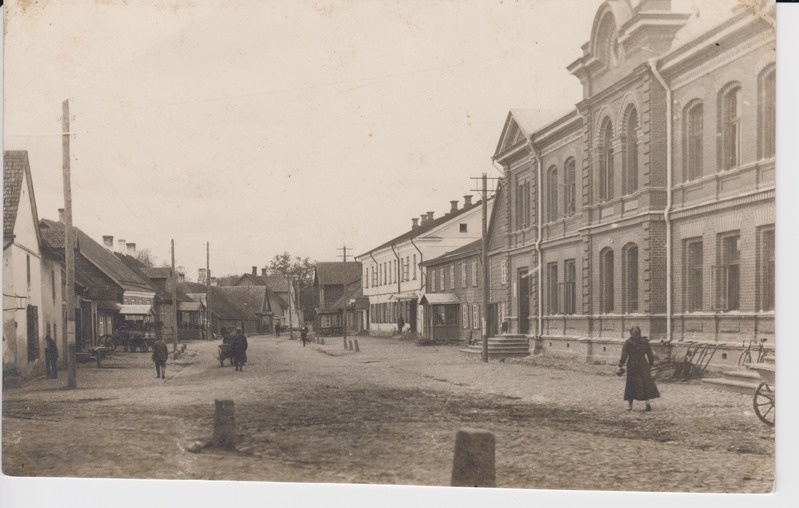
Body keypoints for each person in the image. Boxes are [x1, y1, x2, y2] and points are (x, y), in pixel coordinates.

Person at [617, 326, 660, 411]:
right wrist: (650, 364)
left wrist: (620, 365)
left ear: (631, 333)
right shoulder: (644, 342)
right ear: (640, 333)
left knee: (631, 385)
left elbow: (624, 355)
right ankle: (647, 403)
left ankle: (630, 405)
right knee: (645, 384)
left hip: (632, 365)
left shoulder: (628, 343)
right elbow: (650, 354)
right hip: (643, 364)